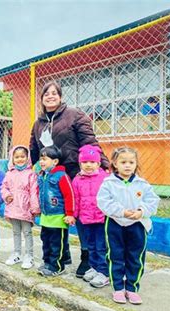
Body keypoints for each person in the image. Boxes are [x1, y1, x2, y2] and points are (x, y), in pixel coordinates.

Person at [29, 80, 110, 278]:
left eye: (54, 93)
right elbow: (34, 148)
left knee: (80, 216)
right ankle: (62, 257)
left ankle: (87, 257)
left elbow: (90, 142)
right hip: (51, 176)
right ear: (42, 98)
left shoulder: (75, 115)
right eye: (46, 93)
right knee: (56, 216)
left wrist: (105, 165)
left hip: (75, 173)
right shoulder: (38, 123)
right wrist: (37, 170)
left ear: (60, 96)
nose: (50, 96)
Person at [97, 147, 159, 305]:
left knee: (135, 257)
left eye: (131, 162)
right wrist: (121, 212)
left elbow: (152, 201)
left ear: (136, 164)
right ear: (115, 164)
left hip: (137, 225)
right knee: (115, 255)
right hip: (115, 224)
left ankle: (132, 288)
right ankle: (118, 288)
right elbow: (103, 202)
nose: (127, 165)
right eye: (123, 162)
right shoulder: (108, 183)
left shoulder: (142, 184)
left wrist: (141, 211)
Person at [72, 145, 109, 288]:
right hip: (85, 219)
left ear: (98, 163)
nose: (89, 165)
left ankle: (104, 272)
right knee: (90, 246)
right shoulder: (77, 180)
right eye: (85, 162)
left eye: (92, 162)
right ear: (80, 163)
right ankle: (94, 268)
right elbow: (76, 198)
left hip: (100, 219)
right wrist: (74, 215)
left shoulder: (105, 178)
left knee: (101, 246)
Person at [37, 145, 76, 277]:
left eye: (45, 159)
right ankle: (47, 262)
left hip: (58, 217)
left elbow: (69, 195)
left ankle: (57, 266)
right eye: (40, 159)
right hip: (46, 216)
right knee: (45, 240)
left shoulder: (61, 176)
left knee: (56, 243)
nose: (41, 162)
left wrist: (70, 214)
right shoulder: (42, 175)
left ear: (55, 161)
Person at [1, 145, 40, 269]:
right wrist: (6, 195)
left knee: (27, 232)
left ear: (27, 157)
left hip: (25, 208)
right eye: (17, 157)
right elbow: (4, 187)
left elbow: (34, 192)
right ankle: (17, 253)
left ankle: (29, 255)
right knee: (16, 232)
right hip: (13, 207)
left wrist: (35, 208)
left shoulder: (31, 174)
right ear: (12, 158)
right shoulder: (9, 174)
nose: (20, 159)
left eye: (22, 156)